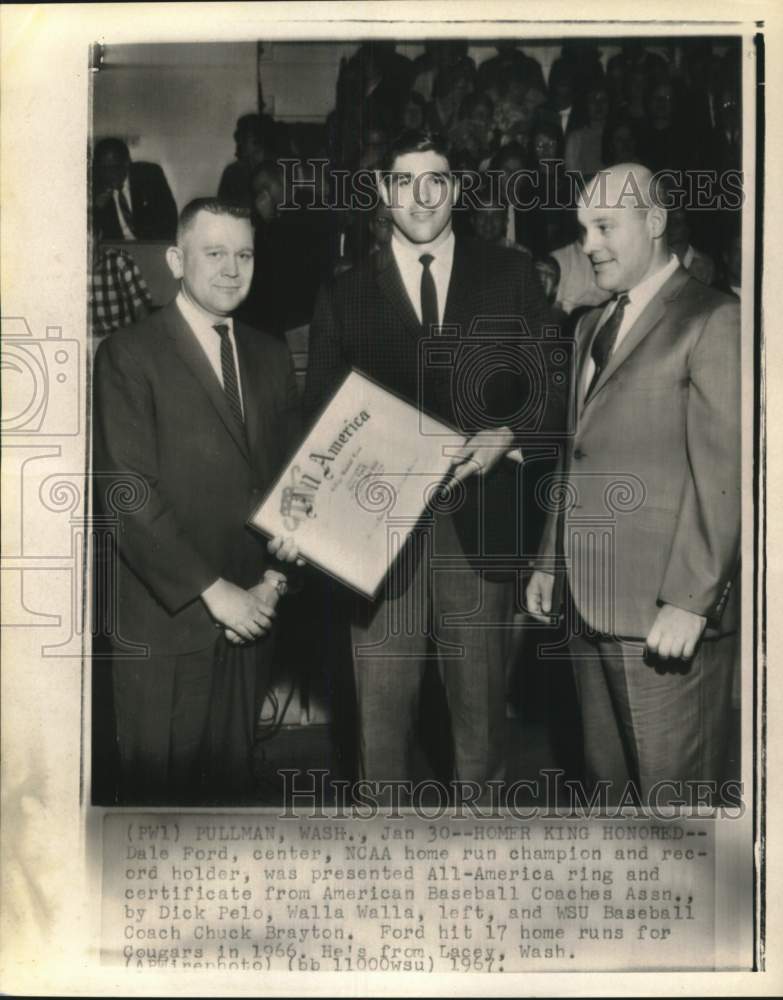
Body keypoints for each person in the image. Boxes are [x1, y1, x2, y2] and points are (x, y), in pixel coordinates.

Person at [304, 130, 560, 791]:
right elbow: (319, 424)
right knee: (379, 736)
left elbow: (555, 381)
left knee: (480, 735)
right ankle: (384, 876)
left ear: (456, 189)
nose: (422, 197)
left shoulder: (508, 274)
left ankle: (478, 870)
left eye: (437, 181)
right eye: (405, 182)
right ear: (383, 193)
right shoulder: (343, 293)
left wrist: (510, 432)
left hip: (477, 536)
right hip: (376, 541)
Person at [526, 164, 740, 806]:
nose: (588, 244)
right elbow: (576, 452)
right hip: (589, 608)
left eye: (604, 226)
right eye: (583, 228)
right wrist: (547, 559)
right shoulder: (589, 325)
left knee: (675, 813)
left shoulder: (712, 318)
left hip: (662, 620)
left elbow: (727, 475)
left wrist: (691, 601)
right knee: (611, 799)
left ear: (654, 223)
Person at [93, 198, 302, 804]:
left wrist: (272, 581)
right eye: (214, 253)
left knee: (231, 796)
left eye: (244, 254)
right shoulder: (129, 353)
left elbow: (293, 483)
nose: (232, 269)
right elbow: (128, 497)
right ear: (175, 260)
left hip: (251, 621)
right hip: (167, 626)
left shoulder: (269, 353)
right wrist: (216, 593)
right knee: (157, 810)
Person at [92, 137, 178, 241]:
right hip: (117, 251)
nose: (108, 174)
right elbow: (89, 235)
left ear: (127, 162)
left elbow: (170, 220)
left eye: (114, 167)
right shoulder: (95, 185)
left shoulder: (150, 176)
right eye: (103, 168)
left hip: (151, 245)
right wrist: (96, 209)